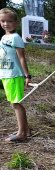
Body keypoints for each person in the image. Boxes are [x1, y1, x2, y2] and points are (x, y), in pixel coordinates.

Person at [0, 8, 32, 142]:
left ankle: (21, 134)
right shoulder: (4, 37)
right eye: (3, 21)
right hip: (6, 74)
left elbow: (21, 58)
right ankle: (26, 129)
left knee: (16, 104)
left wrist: (27, 75)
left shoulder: (16, 38)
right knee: (15, 103)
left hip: (14, 75)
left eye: (9, 21)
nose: (6, 24)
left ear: (16, 23)